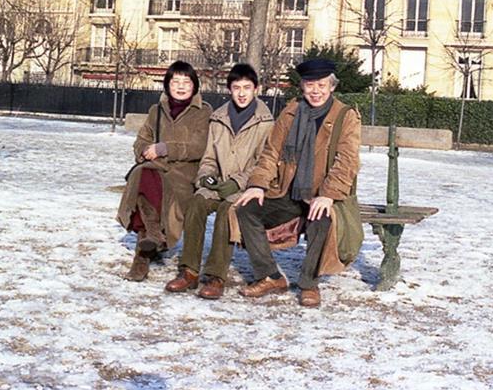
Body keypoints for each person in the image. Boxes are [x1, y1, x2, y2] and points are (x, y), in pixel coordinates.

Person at [234, 58, 363, 307]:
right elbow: (272, 152)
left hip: (325, 195)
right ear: (302, 86)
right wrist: (257, 184)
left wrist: (327, 194)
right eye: (310, 85)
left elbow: (347, 162)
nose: (315, 91)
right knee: (246, 209)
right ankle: (270, 276)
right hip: (289, 190)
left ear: (332, 86)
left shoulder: (345, 116)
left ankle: (308, 283)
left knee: (321, 219)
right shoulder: (291, 111)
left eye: (321, 85)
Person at [164, 63, 274, 299]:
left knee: (227, 211)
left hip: (245, 188)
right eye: (236, 88)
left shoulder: (266, 122)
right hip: (217, 183)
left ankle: (216, 276)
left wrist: (238, 181)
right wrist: (206, 176)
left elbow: (263, 161)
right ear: (229, 90)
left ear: (257, 89)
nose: (242, 93)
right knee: (196, 203)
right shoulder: (218, 118)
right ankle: (189, 270)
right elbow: (209, 156)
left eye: (247, 87)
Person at [116, 60, 212, 281]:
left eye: (185, 82)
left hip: (184, 175)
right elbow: (141, 140)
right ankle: (153, 235)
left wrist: (166, 148)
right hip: (155, 168)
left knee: (145, 178)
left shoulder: (203, 112)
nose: (180, 86)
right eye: (175, 81)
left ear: (194, 85)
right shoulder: (156, 111)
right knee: (144, 174)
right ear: (167, 84)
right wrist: (145, 151)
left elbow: (200, 146)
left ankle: (142, 258)